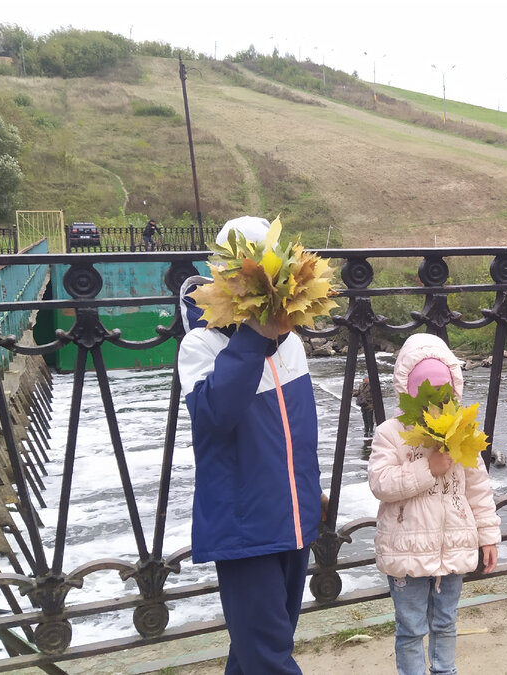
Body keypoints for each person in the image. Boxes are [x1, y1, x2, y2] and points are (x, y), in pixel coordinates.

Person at [177, 216, 322, 675]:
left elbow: (300, 432)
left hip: (293, 520)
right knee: (269, 657)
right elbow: (214, 416)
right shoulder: (200, 345)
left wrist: (310, 495)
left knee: (257, 651)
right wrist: (254, 338)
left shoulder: (291, 344)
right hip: (245, 529)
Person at [368, 333, 501, 675]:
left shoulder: (462, 433)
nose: (436, 402)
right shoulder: (391, 433)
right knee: (411, 628)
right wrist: (428, 468)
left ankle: (445, 671)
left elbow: (478, 489)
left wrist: (487, 535)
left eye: (444, 394)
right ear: (408, 393)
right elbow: (380, 483)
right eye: (425, 393)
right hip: (407, 552)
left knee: (445, 623)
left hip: (452, 549)